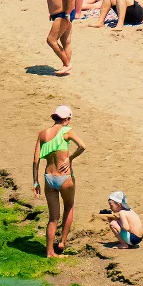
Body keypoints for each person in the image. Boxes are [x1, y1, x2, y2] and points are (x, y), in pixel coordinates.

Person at [31, 105, 85, 256]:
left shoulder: (43, 134)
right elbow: (82, 146)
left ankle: (49, 252)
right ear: (66, 119)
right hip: (65, 177)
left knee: (53, 218)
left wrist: (35, 182)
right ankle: (62, 242)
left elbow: (36, 160)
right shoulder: (67, 131)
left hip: (49, 178)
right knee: (69, 206)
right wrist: (70, 158)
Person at [46, 0, 78, 76]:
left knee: (51, 40)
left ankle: (67, 64)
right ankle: (66, 67)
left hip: (64, 14)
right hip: (61, 13)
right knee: (66, 41)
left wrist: (67, 14)